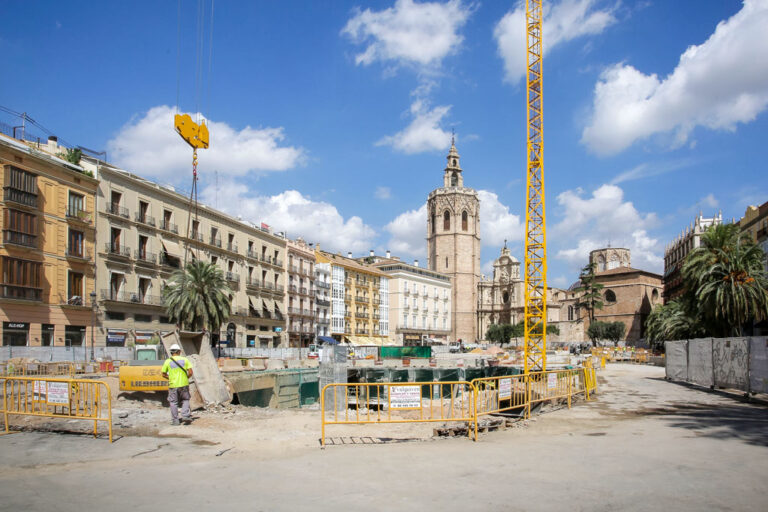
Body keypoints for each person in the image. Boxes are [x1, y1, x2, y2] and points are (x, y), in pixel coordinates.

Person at [161, 344, 193, 425]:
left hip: (173, 385)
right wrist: (186, 378)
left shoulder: (168, 361)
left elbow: (163, 374)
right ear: (179, 351)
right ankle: (185, 415)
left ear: (171, 352)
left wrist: (170, 378)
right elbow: (190, 372)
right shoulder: (185, 360)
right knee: (185, 400)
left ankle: (175, 421)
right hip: (184, 384)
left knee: (173, 402)